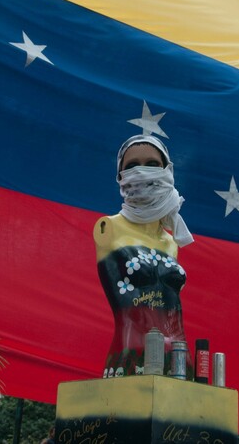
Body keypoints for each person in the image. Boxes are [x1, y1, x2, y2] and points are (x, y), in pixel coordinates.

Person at [95, 135, 194, 378]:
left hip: (179, 360)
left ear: (167, 170)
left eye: (152, 164)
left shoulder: (172, 242)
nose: (141, 171)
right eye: (132, 166)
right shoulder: (109, 227)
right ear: (120, 176)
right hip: (130, 357)